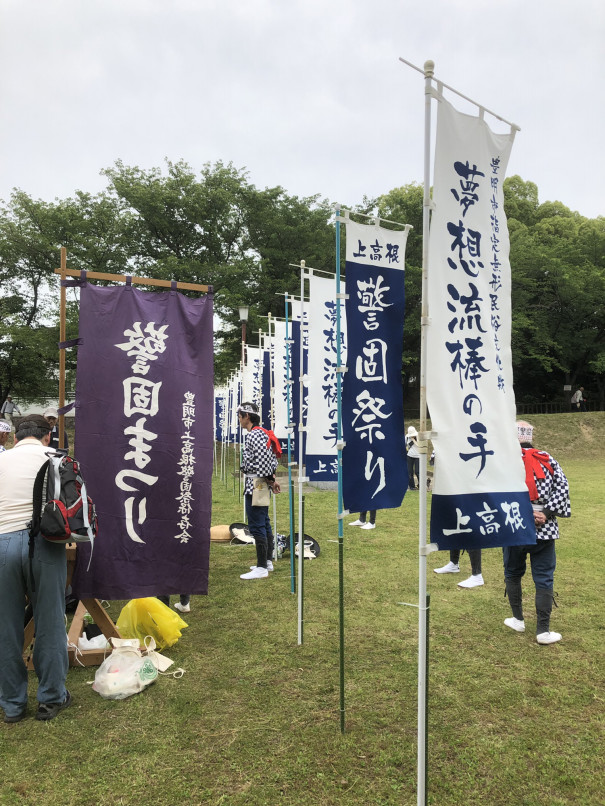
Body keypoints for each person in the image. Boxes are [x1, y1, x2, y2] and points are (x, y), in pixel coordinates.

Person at [0, 414, 71, 722]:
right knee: (50, 622)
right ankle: (51, 698)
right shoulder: (57, 459)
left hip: (2, 542)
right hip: (44, 543)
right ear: (47, 436)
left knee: (5, 628)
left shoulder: (2, 460)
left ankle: (13, 705)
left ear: (16, 437)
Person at [503, 420, 571, 645]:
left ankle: (517, 619)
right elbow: (562, 486)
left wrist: (525, 512)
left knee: (513, 572)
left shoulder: (504, 460)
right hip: (545, 527)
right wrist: (547, 512)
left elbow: (498, 490)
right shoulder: (548, 458)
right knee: (544, 577)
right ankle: (543, 630)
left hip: (514, 526)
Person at [237, 401, 281, 580]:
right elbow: (270, 460)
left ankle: (262, 566)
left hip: (257, 483)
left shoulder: (254, 435)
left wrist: (269, 481)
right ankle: (267, 561)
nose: (239, 420)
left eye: (240, 416)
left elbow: (263, 462)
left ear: (247, 416)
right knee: (264, 521)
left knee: (257, 524)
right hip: (260, 481)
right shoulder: (261, 434)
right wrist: (271, 480)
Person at [406, 425, 420, 490]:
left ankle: (421, 485)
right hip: (410, 455)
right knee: (409, 472)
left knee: (418, 472)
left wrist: (413, 439)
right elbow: (405, 445)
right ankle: (412, 487)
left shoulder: (419, 436)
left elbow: (419, 445)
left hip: (418, 456)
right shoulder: (407, 437)